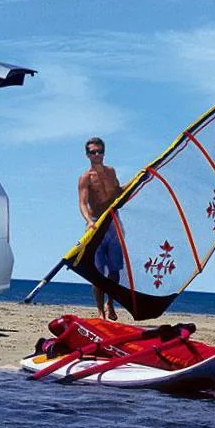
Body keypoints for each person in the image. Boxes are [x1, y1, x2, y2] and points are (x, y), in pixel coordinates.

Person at [77, 137, 124, 321]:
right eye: (93, 152)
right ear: (87, 155)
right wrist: (89, 221)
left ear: (104, 152)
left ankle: (110, 304)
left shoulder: (111, 172)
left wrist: (138, 180)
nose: (96, 155)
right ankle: (100, 311)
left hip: (113, 223)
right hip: (96, 224)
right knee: (97, 272)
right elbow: (82, 203)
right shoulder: (85, 178)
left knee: (114, 271)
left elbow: (118, 192)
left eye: (99, 151)